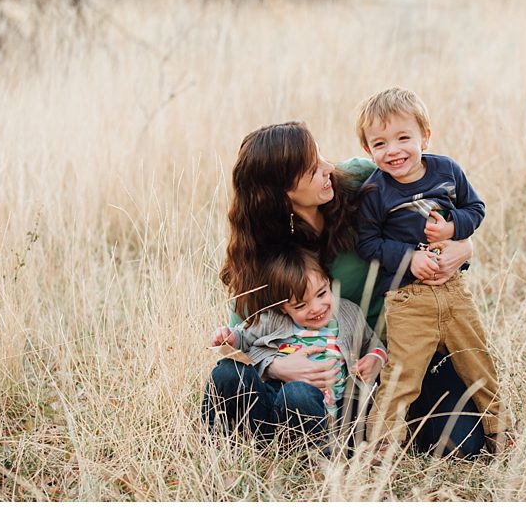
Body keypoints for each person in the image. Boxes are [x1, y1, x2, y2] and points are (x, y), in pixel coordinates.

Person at [203, 121, 488, 456]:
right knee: (237, 380)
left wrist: (464, 246)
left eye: (320, 156)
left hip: (404, 350)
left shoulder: (363, 181)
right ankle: (292, 431)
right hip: (326, 375)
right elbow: (242, 337)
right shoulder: (262, 253)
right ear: (283, 191)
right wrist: (278, 366)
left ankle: (338, 429)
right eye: (313, 169)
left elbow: (441, 211)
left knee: (460, 444)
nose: (328, 168)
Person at [354, 87, 511, 454]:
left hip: (454, 290)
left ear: (425, 136)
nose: (393, 151)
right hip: (408, 300)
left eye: (403, 138)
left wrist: (453, 228)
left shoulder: (447, 170)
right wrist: (408, 257)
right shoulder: (375, 191)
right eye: (380, 144)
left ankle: (500, 432)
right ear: (368, 150)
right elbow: (367, 243)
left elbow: (476, 208)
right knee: (402, 376)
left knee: (478, 362)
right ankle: (380, 446)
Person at [207, 245, 386, 439]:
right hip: (269, 414)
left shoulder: (349, 314)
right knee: (227, 371)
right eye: (300, 305)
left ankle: (314, 452)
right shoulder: (273, 320)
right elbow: (243, 338)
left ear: (328, 282)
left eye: (322, 294)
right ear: (283, 308)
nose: (316, 308)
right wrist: (229, 338)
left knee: (299, 392)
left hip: (328, 417)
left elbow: (373, 343)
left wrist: (375, 358)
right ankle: (214, 437)